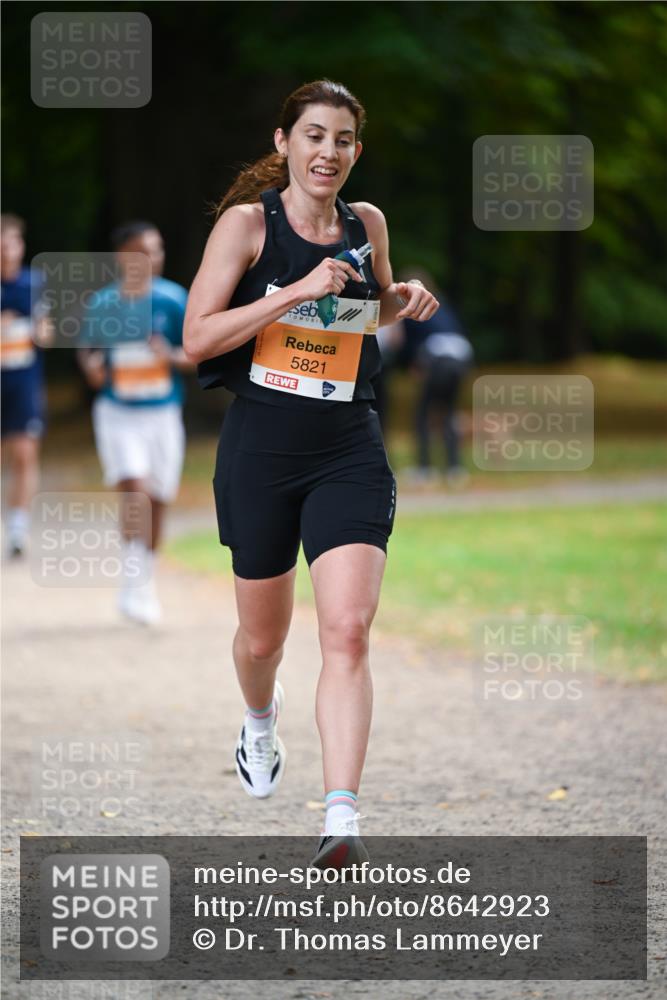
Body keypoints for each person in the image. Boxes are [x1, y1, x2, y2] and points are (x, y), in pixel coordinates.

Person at [184, 79, 438, 868]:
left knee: (347, 631)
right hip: (261, 448)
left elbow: (366, 310)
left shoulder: (366, 224)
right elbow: (197, 336)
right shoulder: (245, 227)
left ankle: (339, 817)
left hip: (346, 446)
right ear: (283, 143)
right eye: (314, 136)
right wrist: (294, 289)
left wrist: (403, 299)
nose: (328, 152)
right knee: (263, 639)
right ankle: (259, 722)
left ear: (356, 152)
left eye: (343, 141)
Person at [78, 221, 192, 625]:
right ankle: (133, 583)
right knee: (136, 491)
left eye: (157, 250)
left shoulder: (174, 301)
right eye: (142, 251)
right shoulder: (104, 303)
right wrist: (92, 368)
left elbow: (197, 356)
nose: (152, 258)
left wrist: (170, 357)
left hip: (162, 414)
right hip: (118, 412)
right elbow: (88, 353)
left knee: (158, 500)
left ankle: (143, 583)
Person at [1, 214, 53, 557]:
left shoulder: (36, 283)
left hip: (23, 381)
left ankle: (18, 529)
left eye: (12, 243)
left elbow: (48, 335)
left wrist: (37, 329)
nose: (7, 251)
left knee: (24, 453)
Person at [403, 281, 473, 485]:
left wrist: (414, 363)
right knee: (448, 412)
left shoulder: (410, 301)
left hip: (437, 358)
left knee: (423, 414)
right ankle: (454, 469)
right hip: (462, 356)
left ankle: (425, 469)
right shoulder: (441, 302)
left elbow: (411, 339)